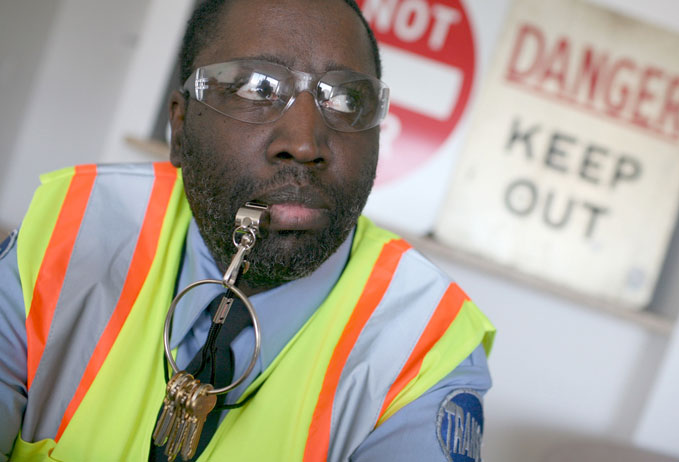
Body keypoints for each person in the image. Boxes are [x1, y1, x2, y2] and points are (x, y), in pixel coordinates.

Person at [0, 0, 495, 460]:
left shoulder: (426, 343)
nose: (304, 143)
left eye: (346, 99)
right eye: (256, 88)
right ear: (180, 126)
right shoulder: (76, 225)